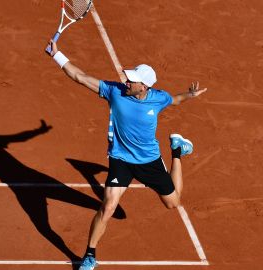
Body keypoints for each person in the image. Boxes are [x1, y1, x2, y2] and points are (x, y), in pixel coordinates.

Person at [46, 40, 208, 270]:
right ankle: (90, 255)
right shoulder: (114, 92)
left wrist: (189, 95)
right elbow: (80, 77)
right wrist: (57, 55)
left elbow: (175, 100)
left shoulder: (158, 98)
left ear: (144, 87)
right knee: (109, 206)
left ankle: (177, 150)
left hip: (149, 161)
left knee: (173, 203)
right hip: (121, 160)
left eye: (132, 80)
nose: (126, 81)